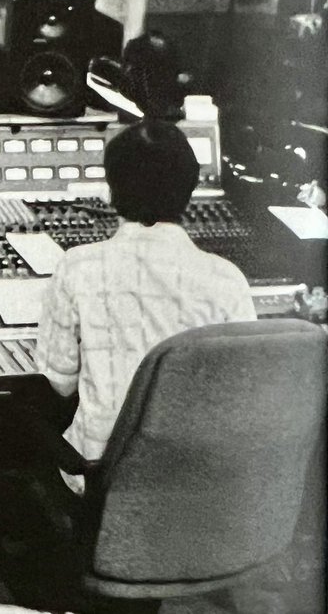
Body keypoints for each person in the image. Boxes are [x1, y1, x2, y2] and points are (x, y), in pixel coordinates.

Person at [35, 120, 256, 494]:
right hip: (197, 483)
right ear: (189, 191)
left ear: (111, 191)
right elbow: (243, 393)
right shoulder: (227, 279)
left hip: (98, 476)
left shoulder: (77, 267)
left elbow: (57, 384)